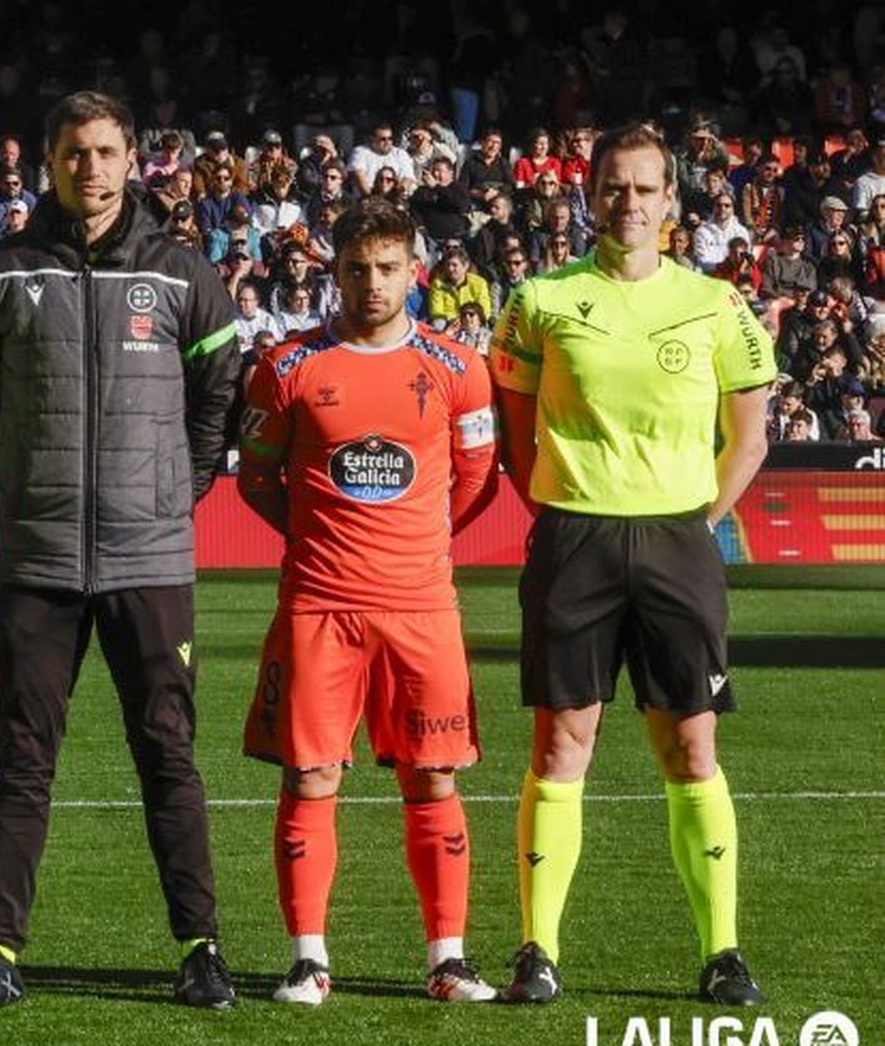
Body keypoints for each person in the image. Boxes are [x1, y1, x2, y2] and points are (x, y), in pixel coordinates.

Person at [0, 91, 242, 1012]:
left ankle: (202, 948)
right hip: (36, 559)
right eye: (75, 152)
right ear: (50, 161)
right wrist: (26, 484)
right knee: (23, 759)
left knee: (169, 755)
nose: (92, 168)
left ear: (131, 161)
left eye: (107, 151)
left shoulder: (182, 273)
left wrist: (179, 487)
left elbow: (220, 390)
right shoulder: (0, 273)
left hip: (150, 558)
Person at [491, 124, 775, 1006]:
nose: (630, 202)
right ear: (589, 194)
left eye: (645, 188)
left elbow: (751, 435)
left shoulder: (720, 305)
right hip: (574, 535)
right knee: (560, 741)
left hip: (677, 541)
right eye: (614, 186)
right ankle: (538, 950)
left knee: (692, 747)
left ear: (672, 203)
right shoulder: (537, 299)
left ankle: (722, 952)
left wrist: (696, 522)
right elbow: (511, 432)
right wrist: (566, 507)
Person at [237, 199, 499, 1007]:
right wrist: (323, 543)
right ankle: (308, 959)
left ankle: (447, 959)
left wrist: (411, 547)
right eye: (357, 268)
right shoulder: (286, 368)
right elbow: (255, 478)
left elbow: (477, 482)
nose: (373, 284)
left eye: (388, 268)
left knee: (432, 780)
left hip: (423, 610)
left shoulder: (460, 368)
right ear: (334, 271)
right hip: (320, 608)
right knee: (311, 778)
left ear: (413, 270)